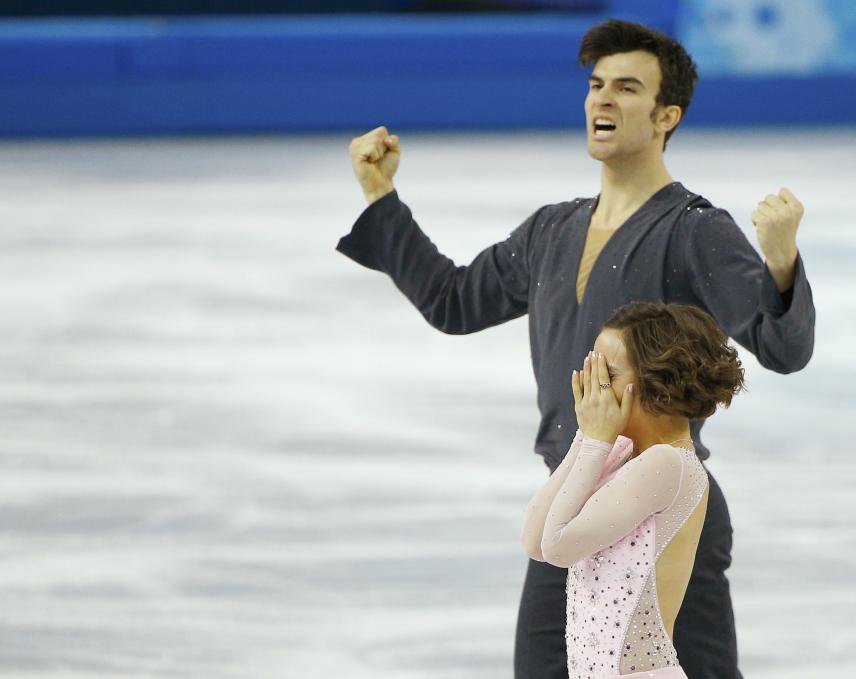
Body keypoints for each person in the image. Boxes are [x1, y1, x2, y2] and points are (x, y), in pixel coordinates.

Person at [337, 17, 815, 679]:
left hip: (659, 506)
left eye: (626, 88)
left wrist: (782, 261)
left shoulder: (696, 231)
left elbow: (782, 346)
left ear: (665, 114)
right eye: (595, 86)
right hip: (572, 497)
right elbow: (452, 300)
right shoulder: (551, 229)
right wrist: (380, 195)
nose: (602, 101)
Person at [520, 301, 745, 679]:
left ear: (658, 381)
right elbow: (535, 542)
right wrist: (587, 438)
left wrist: (594, 440)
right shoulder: (622, 454)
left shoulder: (668, 465)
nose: (592, 383)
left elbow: (558, 546)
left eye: (605, 372)